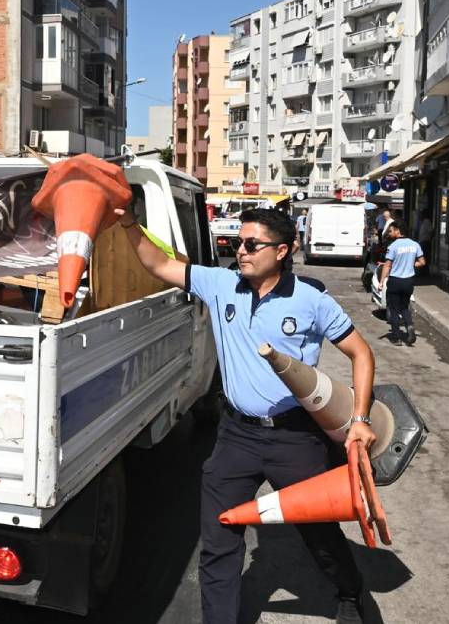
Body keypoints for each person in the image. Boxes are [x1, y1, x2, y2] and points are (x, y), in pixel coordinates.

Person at [115, 200, 377, 624]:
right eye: (240, 242)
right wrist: (128, 222)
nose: (242, 251)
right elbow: (160, 265)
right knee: (219, 538)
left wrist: (360, 421)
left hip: (296, 437)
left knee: (318, 531)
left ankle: (349, 590)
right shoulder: (221, 284)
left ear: (282, 251)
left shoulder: (312, 299)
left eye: (253, 244)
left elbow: (360, 353)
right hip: (236, 436)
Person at [378, 221, 425, 346]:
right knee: (404, 306)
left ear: (398, 230)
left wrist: (381, 281)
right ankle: (409, 325)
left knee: (393, 309)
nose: (390, 232)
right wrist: (410, 265)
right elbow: (422, 262)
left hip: (395, 280)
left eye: (391, 230)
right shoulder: (415, 245)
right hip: (408, 282)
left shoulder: (393, 246)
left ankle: (396, 337)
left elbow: (388, 265)